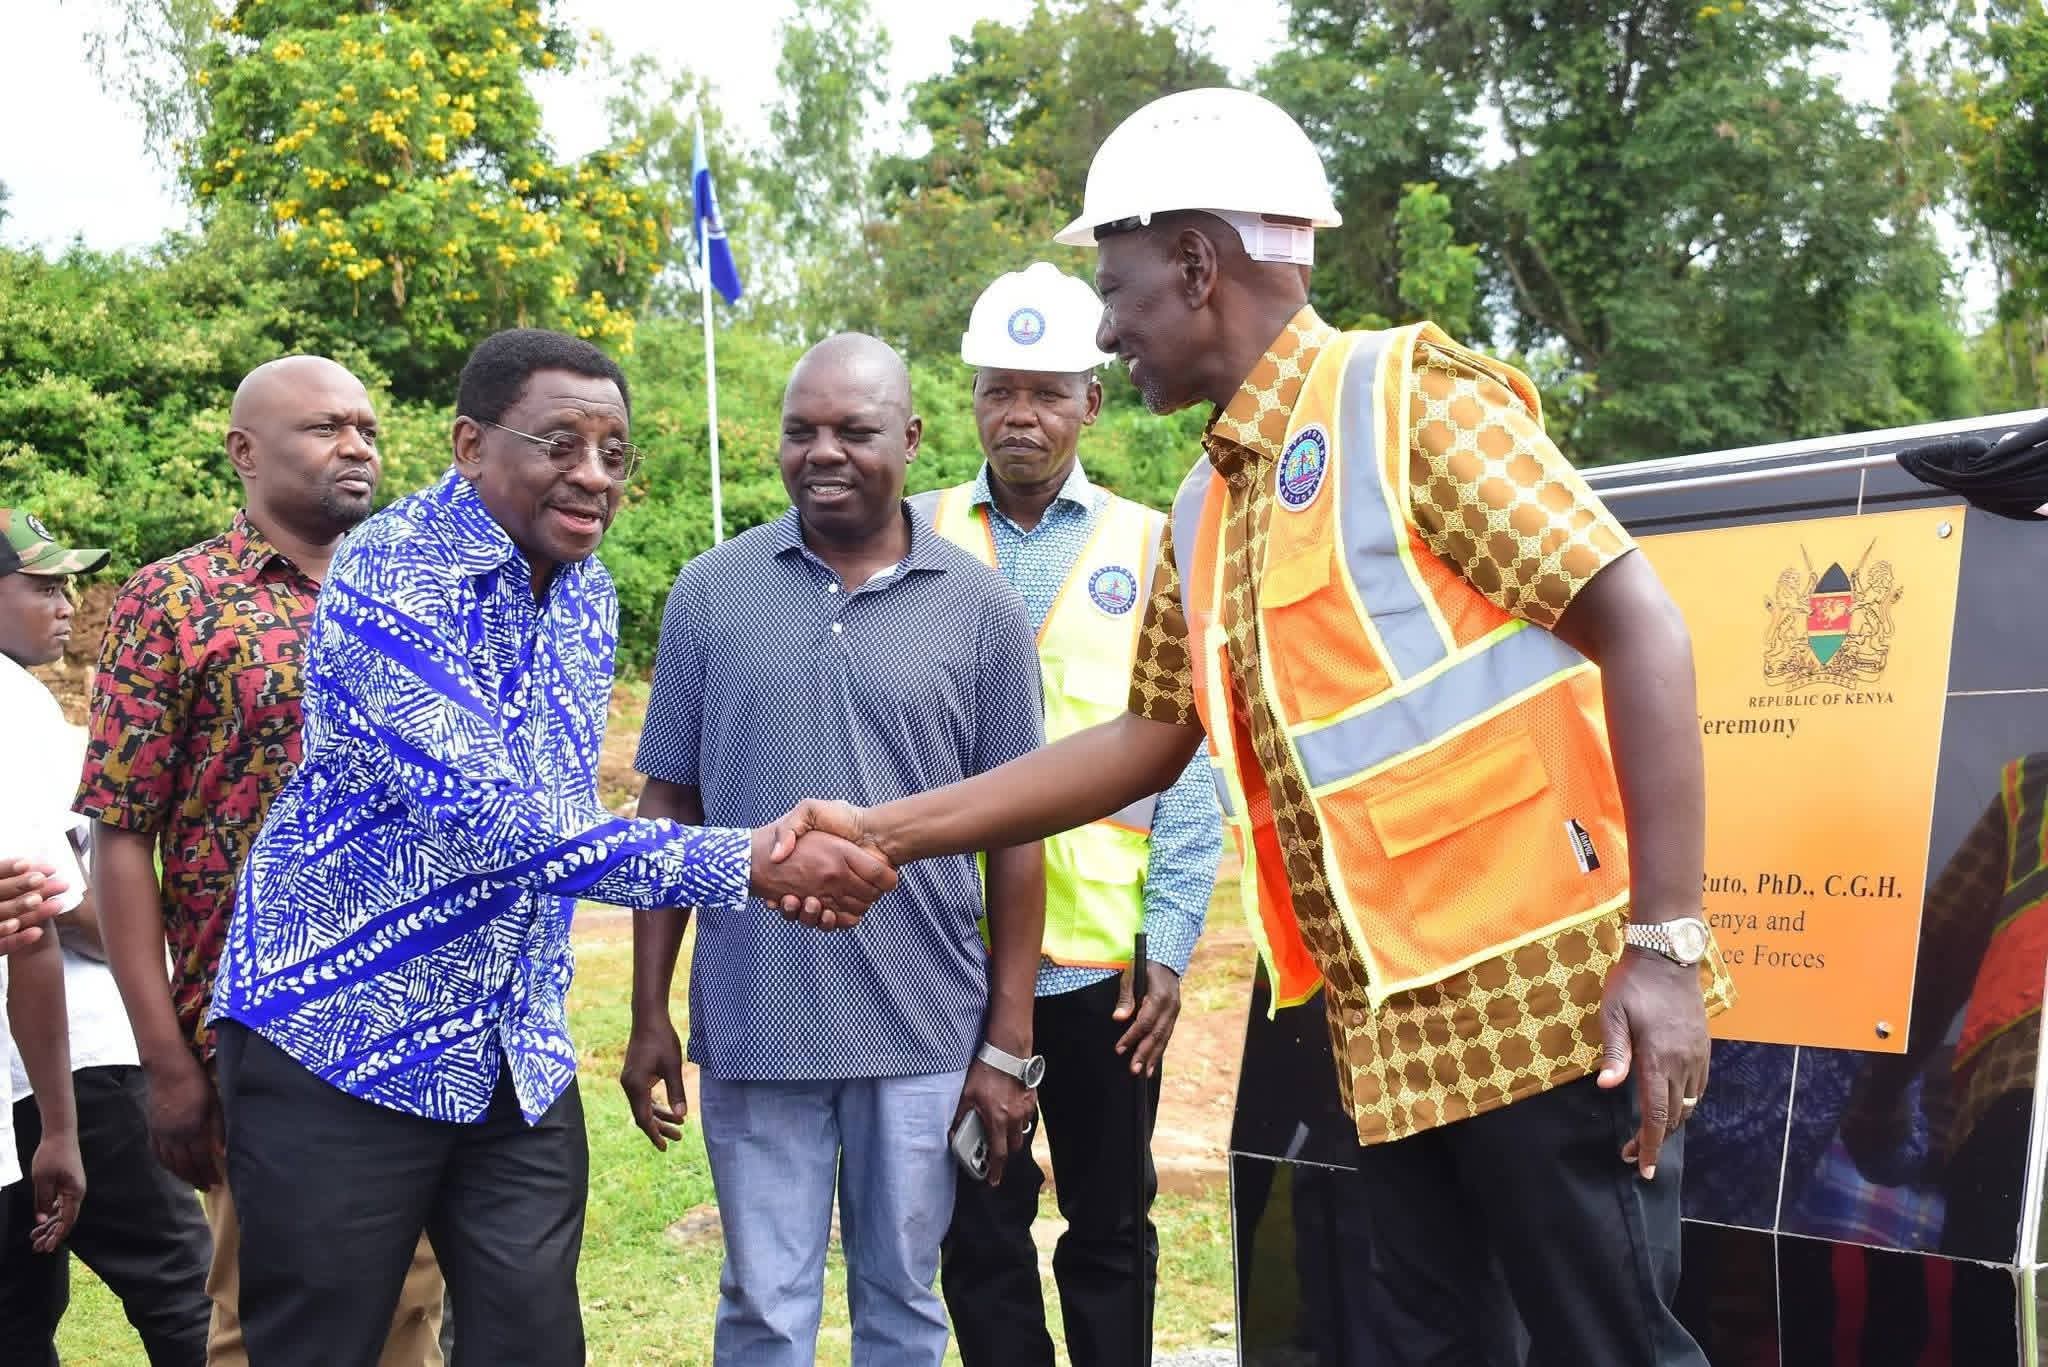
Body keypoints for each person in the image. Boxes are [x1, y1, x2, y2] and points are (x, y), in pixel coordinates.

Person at [771, 88, 1733, 1365]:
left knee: (1610, 1346)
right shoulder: (1203, 504)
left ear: (1195, 264)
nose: (1105, 330)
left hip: (1548, 1009)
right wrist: (885, 832)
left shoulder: (1405, 400)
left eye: (1114, 290)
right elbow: (1139, 743)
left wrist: (1663, 947)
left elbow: (1642, 626)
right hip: (1392, 1030)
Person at [203, 328, 893, 1367]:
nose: (594, 475)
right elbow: (486, 818)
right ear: (470, 444)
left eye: (613, 451)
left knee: (532, 1341)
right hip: (342, 1036)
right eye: (560, 443)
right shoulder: (392, 567)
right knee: (321, 1345)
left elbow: (561, 810)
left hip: (511, 1053)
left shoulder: (585, 591)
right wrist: (744, 858)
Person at [621, 333, 1045, 1367]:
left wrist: (1005, 1040)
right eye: (799, 431)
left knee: (903, 1302)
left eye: (853, 430)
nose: (822, 452)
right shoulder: (711, 592)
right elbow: (667, 804)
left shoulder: (981, 607)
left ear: (911, 436)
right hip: (755, 1020)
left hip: (921, 1028)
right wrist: (647, 1010)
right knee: (764, 1307)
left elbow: (1017, 834)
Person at [76, 356, 446, 1366]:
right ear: (244, 450)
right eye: (325, 428)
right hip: (258, 1030)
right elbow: (121, 834)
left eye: (367, 427)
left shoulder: (419, 595)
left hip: (416, 1018)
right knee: (272, 1316)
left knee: (408, 1308)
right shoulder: (175, 601)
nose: (357, 446)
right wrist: (167, 1062)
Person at [911, 263, 1221, 1367]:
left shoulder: (1157, 542)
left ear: (1092, 399)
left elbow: (1189, 763)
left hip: (1102, 969)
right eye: (999, 390)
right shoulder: (912, 532)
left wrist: (1168, 944)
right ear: (971, 401)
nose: (1021, 414)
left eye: (1046, 392)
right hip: (945, 959)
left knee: (1111, 1226)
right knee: (976, 1229)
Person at [0, 509, 95, 1346]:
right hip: (85, 1046)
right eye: (41, 585)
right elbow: (45, 912)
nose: (66, 605)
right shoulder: (15, 703)